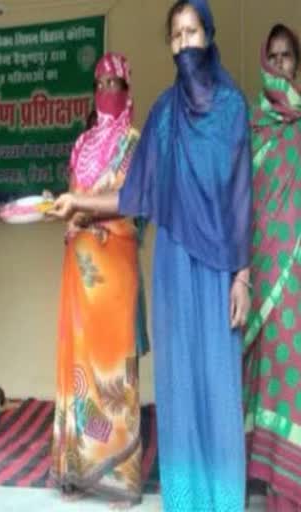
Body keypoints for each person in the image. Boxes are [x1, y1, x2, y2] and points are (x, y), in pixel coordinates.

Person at [51, 2, 251, 510]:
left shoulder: (232, 108)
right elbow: (133, 194)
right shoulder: (163, 115)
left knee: (217, 383)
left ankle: (222, 500)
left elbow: (241, 197)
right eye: (177, 36)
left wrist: (242, 278)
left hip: (218, 268)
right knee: (180, 384)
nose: (185, 44)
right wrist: (80, 202)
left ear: (209, 36)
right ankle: (184, 501)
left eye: (193, 33)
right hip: (172, 266)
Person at [48, 53, 147, 508]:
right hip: (80, 267)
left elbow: (132, 199)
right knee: (81, 367)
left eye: (116, 81)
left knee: (114, 369)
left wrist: (83, 209)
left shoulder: (136, 142)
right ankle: (80, 470)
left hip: (116, 268)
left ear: (128, 88)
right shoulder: (82, 143)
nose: (108, 90)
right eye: (101, 82)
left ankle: (122, 478)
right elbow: (74, 194)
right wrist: (63, 211)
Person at [244, 24, 301, 511]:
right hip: (259, 270)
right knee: (255, 369)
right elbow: (242, 202)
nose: (280, 64)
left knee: (288, 369)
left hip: (296, 276)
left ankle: (286, 483)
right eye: (274, 56)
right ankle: (254, 475)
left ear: (296, 66)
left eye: (287, 57)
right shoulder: (253, 129)